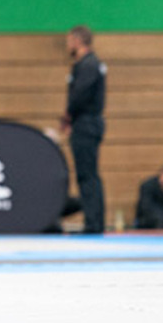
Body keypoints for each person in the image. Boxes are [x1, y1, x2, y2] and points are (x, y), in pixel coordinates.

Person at [61, 25, 107, 234]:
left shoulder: (88, 64)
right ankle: (93, 222)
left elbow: (79, 96)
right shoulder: (86, 64)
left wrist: (68, 117)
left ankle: (93, 223)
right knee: (88, 174)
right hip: (86, 122)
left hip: (86, 123)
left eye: (70, 40)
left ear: (78, 41)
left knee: (88, 175)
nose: (68, 44)